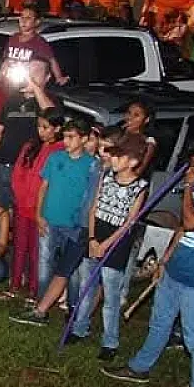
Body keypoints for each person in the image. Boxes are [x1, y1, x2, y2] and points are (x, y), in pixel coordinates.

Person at [102, 136, 194, 387]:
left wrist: (187, 187)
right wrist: (166, 259)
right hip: (175, 270)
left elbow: (193, 220)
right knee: (159, 323)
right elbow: (184, 229)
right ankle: (139, 368)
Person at [68, 133, 150, 360]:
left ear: (132, 161)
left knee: (111, 296)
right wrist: (93, 239)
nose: (111, 160)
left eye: (118, 156)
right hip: (95, 239)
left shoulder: (140, 187)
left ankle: (110, 342)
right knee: (87, 287)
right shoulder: (105, 177)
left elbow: (128, 223)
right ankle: (79, 328)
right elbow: (94, 209)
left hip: (115, 246)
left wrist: (105, 244)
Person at [10, 118, 98, 324]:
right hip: (49, 220)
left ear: (84, 139)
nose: (66, 141)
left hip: (74, 224)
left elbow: (92, 197)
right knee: (45, 263)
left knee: (72, 270)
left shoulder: (92, 166)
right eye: (65, 137)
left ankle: (73, 308)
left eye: (71, 137)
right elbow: (44, 187)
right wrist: (39, 215)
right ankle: (41, 306)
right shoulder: (55, 157)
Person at [0, 57, 56, 210]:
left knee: (18, 214)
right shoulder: (12, 100)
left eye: (37, 71)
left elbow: (52, 115)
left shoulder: (52, 101)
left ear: (47, 77)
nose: (31, 75)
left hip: (25, 169)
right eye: (29, 70)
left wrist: (34, 87)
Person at [5, 108, 64, 302]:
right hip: (23, 205)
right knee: (20, 246)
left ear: (57, 129)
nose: (41, 131)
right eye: (39, 126)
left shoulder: (61, 151)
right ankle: (14, 284)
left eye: (46, 127)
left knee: (37, 251)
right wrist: (20, 196)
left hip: (43, 209)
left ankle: (34, 288)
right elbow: (18, 173)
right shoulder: (31, 146)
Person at [2, 5, 67, 87]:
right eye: (22, 17)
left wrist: (59, 77)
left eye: (28, 18)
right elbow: (6, 59)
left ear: (36, 22)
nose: (23, 21)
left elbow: (52, 60)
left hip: (28, 85)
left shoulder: (39, 42)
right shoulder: (13, 38)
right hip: (9, 83)